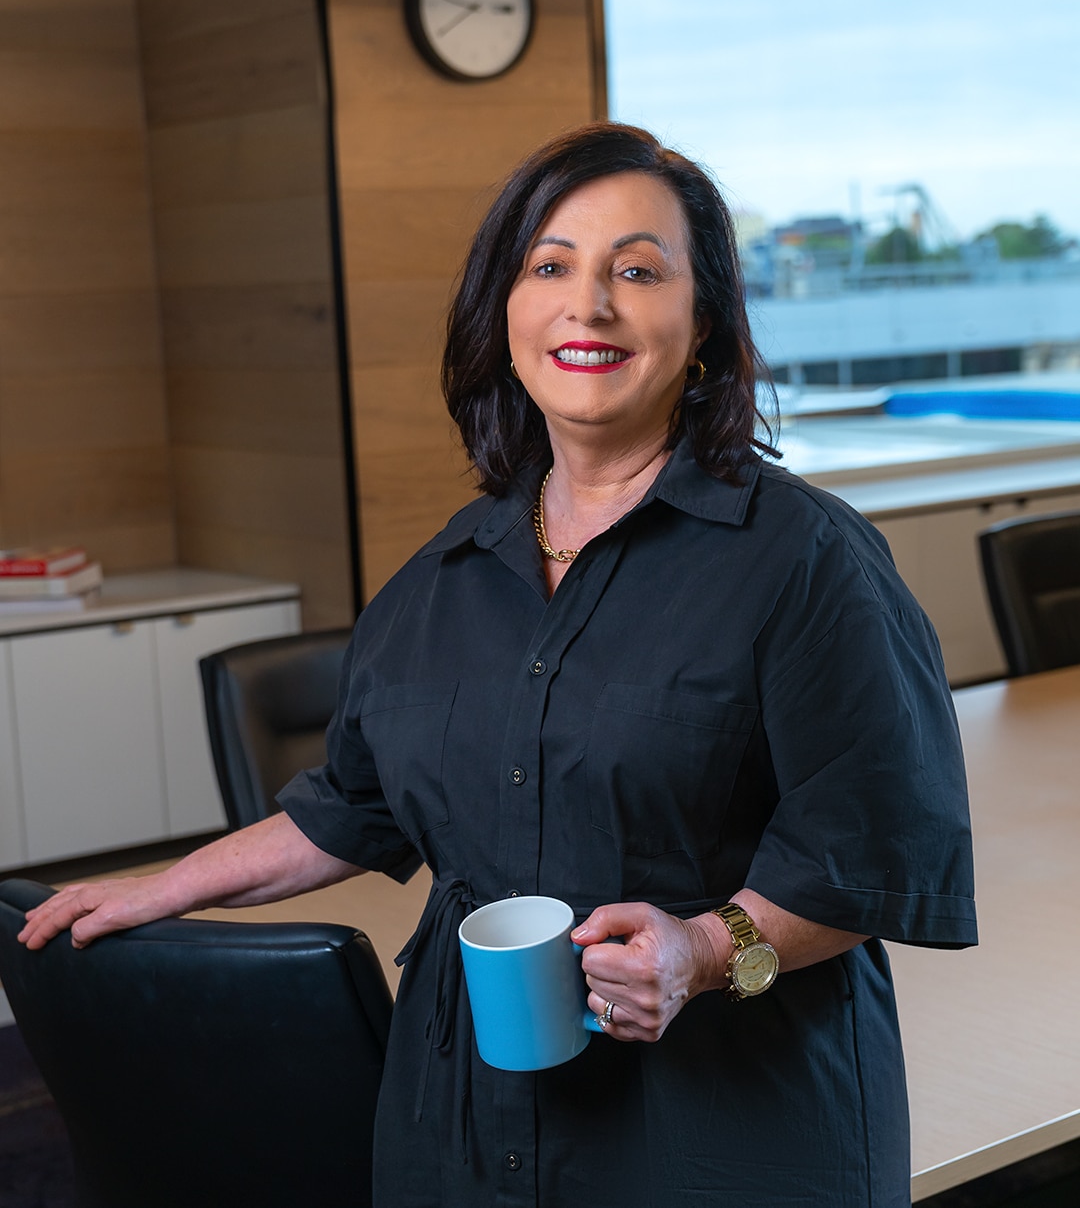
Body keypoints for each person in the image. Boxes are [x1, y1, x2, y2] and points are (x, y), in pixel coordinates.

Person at [20, 123, 976, 1207]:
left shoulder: (807, 559)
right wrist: (160, 888)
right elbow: (348, 807)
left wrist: (705, 949)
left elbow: (870, 867)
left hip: (729, 1122)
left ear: (702, 322)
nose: (591, 303)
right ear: (505, 315)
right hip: (466, 1118)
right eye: (551, 265)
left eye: (638, 270)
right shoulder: (443, 576)